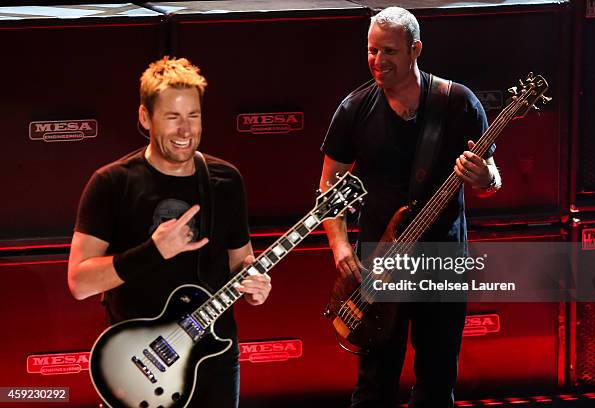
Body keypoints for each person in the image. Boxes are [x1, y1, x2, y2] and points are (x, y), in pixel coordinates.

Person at [320, 7, 501, 408]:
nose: (377, 62)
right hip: (380, 264)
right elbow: (328, 187)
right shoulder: (354, 108)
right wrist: (341, 248)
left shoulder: (457, 103)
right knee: (374, 385)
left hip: (441, 260)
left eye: (389, 52)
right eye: (371, 51)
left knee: (437, 383)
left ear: (415, 49)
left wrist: (483, 179)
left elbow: (492, 178)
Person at [67, 56, 271, 407]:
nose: (185, 130)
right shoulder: (111, 184)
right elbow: (79, 283)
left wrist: (256, 286)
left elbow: (241, 261)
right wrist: (153, 250)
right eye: (173, 117)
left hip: (214, 363)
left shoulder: (225, 181)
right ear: (145, 117)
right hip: (140, 372)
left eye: (193, 116)